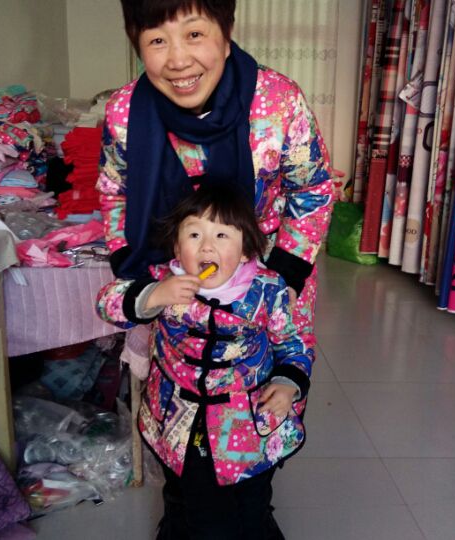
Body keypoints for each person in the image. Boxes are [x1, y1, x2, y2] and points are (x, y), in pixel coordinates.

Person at [96, 0, 334, 536]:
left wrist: (279, 278)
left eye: (194, 34)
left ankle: (250, 501)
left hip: (269, 280)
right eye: (157, 40)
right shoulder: (125, 112)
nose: (178, 59)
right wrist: (139, 276)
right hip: (176, 286)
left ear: (226, 34)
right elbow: (114, 192)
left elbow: (314, 189)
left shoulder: (277, 101)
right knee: (180, 427)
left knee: (253, 430)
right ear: (137, 44)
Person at [97, 184, 312, 538]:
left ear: (245, 251)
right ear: (177, 247)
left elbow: (295, 341)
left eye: (222, 235)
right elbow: (107, 303)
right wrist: (154, 295)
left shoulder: (268, 288)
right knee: (185, 495)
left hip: (245, 422)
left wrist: (288, 382)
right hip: (177, 416)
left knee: (251, 498)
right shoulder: (165, 280)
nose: (207, 246)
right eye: (194, 234)